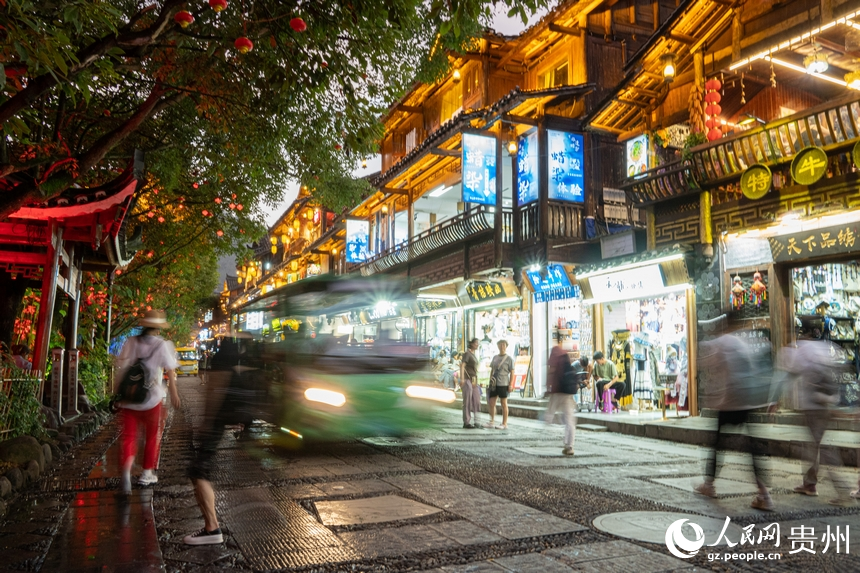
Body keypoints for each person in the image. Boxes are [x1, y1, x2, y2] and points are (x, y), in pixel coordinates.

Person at [184, 333, 263, 545]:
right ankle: (215, 524)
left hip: (217, 420)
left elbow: (215, 392)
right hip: (242, 419)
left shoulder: (221, 358)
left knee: (198, 470)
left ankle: (212, 527)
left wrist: (207, 421)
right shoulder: (248, 359)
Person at [694, 315, 776, 511]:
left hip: (730, 403)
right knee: (751, 448)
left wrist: (714, 397)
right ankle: (764, 493)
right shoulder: (743, 341)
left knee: (717, 445)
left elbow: (706, 363)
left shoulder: (723, 341)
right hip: (746, 401)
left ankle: (709, 485)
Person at [781, 336, 854, 505]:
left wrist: (774, 399)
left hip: (813, 407)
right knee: (812, 446)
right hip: (826, 404)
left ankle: (841, 490)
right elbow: (842, 367)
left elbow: (790, 373)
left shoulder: (803, 349)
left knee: (822, 449)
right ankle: (809, 484)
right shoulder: (825, 347)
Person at [113, 310, 181, 493]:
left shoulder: (131, 342)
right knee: (151, 437)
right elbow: (170, 371)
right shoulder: (162, 345)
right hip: (151, 399)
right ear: (158, 328)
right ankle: (146, 474)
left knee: (129, 437)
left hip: (129, 399)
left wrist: (117, 393)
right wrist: (174, 393)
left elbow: (121, 367)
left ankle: (126, 474)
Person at [545, 338, 576, 455]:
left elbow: (551, 371)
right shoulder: (565, 354)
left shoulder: (555, 351)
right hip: (568, 390)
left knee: (549, 413)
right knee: (569, 419)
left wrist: (548, 386)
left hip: (558, 390)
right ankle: (570, 446)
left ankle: (547, 424)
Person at [484, 340, 513, 430]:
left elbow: (512, 372)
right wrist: (490, 381)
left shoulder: (509, 359)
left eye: (503, 344)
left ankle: (504, 423)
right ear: (497, 346)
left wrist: (511, 384)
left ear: (506, 346)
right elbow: (492, 370)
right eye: (500, 344)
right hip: (494, 383)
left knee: (503, 403)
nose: (502, 346)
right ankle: (492, 421)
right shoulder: (495, 357)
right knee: (492, 402)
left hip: (503, 383)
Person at [459, 339, 481, 429]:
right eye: (476, 343)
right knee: (467, 401)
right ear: (471, 343)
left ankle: (477, 421)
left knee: (477, 400)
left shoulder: (474, 355)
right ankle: (466, 422)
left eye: (477, 343)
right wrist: (462, 378)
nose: (477, 345)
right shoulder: (467, 354)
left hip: (474, 379)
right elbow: (462, 366)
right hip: (467, 379)